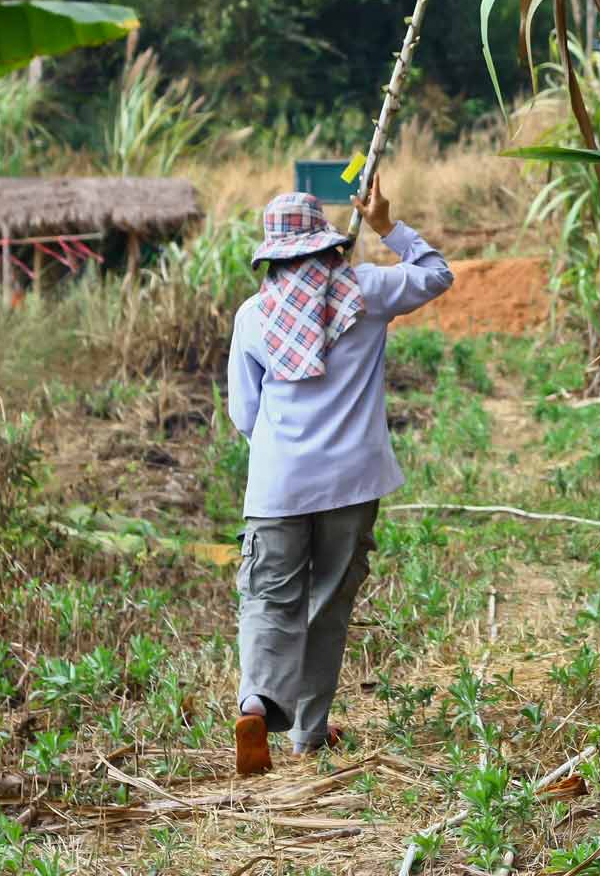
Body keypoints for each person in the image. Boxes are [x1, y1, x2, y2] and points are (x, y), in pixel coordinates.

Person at [226, 177, 452, 774]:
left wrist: (282, 448)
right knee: (327, 602)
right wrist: (385, 225)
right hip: (351, 484)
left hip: (277, 486)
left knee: (269, 598)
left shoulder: (252, 316)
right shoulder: (367, 290)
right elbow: (436, 273)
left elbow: (243, 413)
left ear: (271, 253)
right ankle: (308, 733)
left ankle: (255, 702)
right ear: (326, 244)